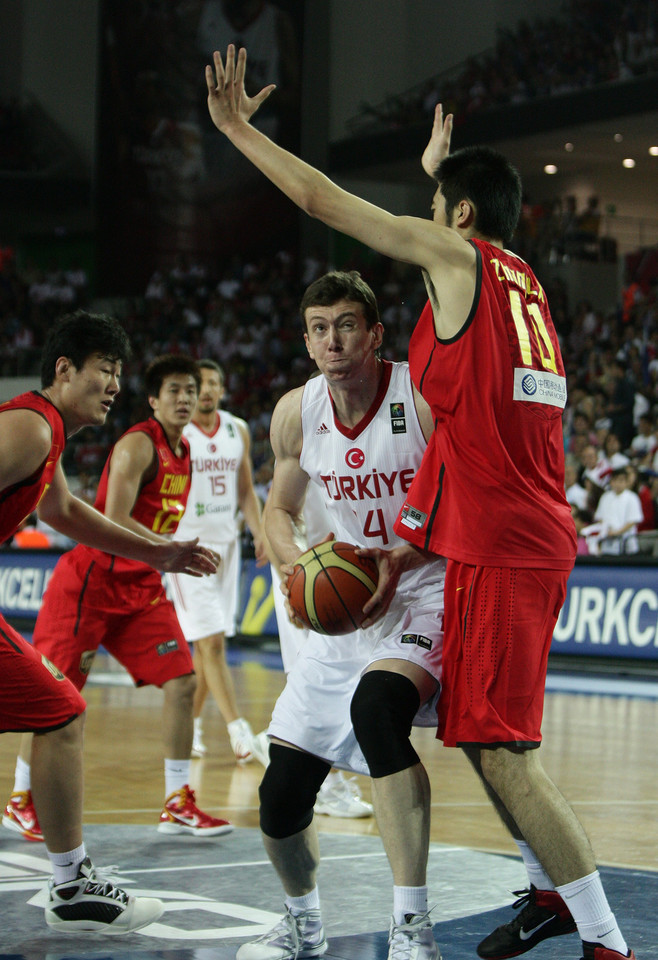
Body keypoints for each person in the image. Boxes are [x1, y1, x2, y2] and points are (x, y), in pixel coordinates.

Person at [204, 47, 636, 960]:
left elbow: (330, 204)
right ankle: (546, 892)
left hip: (505, 546)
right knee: (483, 742)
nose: (421, 224)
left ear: (460, 224)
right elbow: (463, 433)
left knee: (505, 754)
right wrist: (408, 538)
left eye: (434, 212)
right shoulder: (522, 282)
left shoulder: (459, 259)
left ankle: (604, 938)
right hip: (494, 533)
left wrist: (241, 132)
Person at [241, 270, 445, 960]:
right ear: (306, 341)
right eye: (321, 328)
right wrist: (296, 566)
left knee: (377, 709)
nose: (335, 340)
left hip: (424, 587)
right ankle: (303, 923)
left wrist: (408, 555)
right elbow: (277, 511)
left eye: (348, 324)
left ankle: (411, 927)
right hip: (351, 602)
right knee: (280, 797)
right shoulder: (298, 412)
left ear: (376, 333)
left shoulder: (418, 396)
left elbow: (473, 490)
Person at [0, 311, 217, 932]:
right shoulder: (32, 429)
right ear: (65, 370)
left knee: (60, 708)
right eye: (106, 370)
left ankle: (71, 883)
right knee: (61, 709)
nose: (115, 384)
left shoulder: (48, 435)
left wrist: (159, 552)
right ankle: (70, 885)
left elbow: (63, 511)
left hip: (136, 582)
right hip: (93, 590)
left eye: (120, 372)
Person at [168, 358, 269, 765]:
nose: (207, 391)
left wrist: (259, 533)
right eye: (200, 384)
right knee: (209, 641)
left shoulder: (236, 429)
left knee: (211, 645)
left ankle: (190, 728)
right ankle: (238, 729)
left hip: (227, 546)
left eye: (214, 383)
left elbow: (246, 490)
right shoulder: (177, 432)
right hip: (187, 548)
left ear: (223, 390)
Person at [266, 480, 374, 820]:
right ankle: (328, 786)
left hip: (350, 574)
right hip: (312, 583)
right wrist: (294, 575)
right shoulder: (304, 440)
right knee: (305, 677)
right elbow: (277, 513)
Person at [594, 467, 644, 555]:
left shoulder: (632, 497)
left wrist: (616, 532)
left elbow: (633, 520)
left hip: (627, 543)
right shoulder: (605, 497)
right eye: (615, 480)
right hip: (607, 542)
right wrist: (606, 530)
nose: (618, 484)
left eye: (621, 481)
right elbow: (600, 517)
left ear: (627, 482)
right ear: (611, 482)